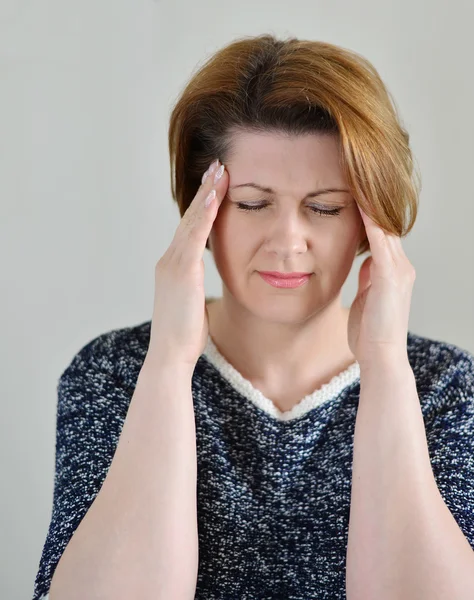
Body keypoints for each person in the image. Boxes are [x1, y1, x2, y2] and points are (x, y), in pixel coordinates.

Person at [32, 34, 474, 600]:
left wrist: (386, 368)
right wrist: (168, 363)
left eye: (325, 208)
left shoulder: (444, 387)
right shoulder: (114, 373)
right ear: (202, 210)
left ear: (369, 224)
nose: (288, 243)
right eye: (252, 204)